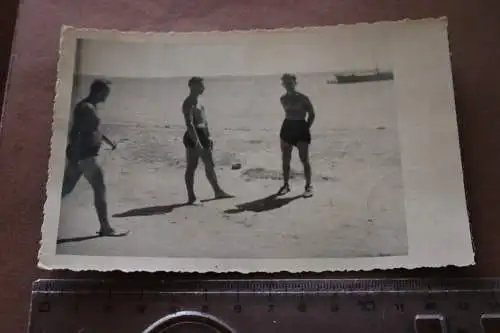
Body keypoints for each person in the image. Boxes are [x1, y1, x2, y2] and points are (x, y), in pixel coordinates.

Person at [62, 79, 127, 237]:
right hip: (85, 156)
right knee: (99, 188)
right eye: (105, 93)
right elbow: (75, 132)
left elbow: (94, 129)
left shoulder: (88, 107)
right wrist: (75, 157)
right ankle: (105, 228)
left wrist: (109, 141)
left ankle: (38, 212)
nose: (106, 97)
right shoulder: (87, 108)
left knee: (66, 188)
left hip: (81, 156)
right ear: (98, 92)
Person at [182, 76, 232, 204]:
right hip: (193, 136)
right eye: (201, 85)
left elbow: (204, 121)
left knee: (210, 165)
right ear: (193, 86)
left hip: (203, 135)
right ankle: (191, 196)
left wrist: (209, 137)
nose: (203, 88)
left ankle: (217, 191)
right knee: (191, 167)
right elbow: (190, 124)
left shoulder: (199, 101)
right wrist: (197, 142)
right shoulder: (188, 103)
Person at [277, 73, 316, 198]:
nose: (288, 85)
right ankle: (286, 185)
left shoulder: (302, 98)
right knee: (285, 159)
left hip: (300, 127)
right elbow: (288, 113)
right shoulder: (283, 99)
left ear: (295, 83)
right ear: (283, 84)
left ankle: (308, 186)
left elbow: (312, 114)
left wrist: (305, 127)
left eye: (290, 82)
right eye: (285, 83)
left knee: (304, 159)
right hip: (287, 127)